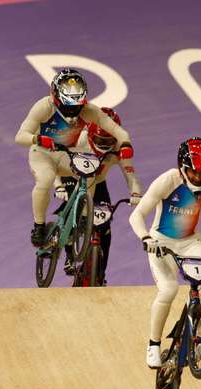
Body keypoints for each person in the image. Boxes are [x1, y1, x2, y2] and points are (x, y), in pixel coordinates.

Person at [128, 137, 201, 368]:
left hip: (191, 242)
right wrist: (146, 238)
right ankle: (153, 345)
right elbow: (136, 215)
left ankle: (200, 336)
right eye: (195, 172)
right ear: (183, 167)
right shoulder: (168, 181)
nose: (200, 177)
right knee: (169, 290)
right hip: (161, 242)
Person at [14, 68, 134, 247]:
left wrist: (125, 144)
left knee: (90, 171)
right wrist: (37, 139)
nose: (72, 112)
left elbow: (117, 130)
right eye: (68, 106)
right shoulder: (43, 107)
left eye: (76, 107)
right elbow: (20, 137)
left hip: (66, 154)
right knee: (45, 179)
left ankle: (84, 217)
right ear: (55, 96)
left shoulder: (88, 110)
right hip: (41, 154)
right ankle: (38, 226)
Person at [53, 106, 142, 281]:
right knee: (76, 210)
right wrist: (58, 186)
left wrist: (136, 192)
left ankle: (100, 274)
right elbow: (53, 160)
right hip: (71, 175)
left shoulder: (119, 146)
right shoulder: (77, 138)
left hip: (98, 181)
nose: (103, 146)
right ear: (91, 132)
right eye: (100, 140)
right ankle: (70, 253)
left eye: (108, 142)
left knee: (105, 227)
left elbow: (130, 173)